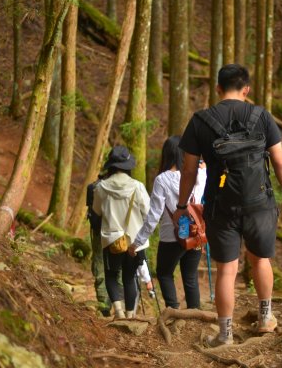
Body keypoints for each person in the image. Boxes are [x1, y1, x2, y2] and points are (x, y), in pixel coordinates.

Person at [174, 64, 282, 346]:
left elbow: (189, 170)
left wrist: (183, 205)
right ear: (247, 89)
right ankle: (266, 318)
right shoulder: (261, 116)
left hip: (221, 205)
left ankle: (225, 334)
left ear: (217, 88)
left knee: (227, 269)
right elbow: (279, 162)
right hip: (259, 202)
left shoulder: (200, 121)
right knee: (260, 260)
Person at [128, 136, 204, 309]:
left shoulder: (163, 180)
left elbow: (154, 215)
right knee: (190, 276)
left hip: (173, 236)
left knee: (164, 273)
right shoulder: (198, 175)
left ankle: (173, 311)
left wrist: (137, 243)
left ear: (167, 154)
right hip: (196, 233)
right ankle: (194, 315)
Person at [92, 146, 150, 319]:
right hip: (134, 242)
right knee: (129, 277)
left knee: (111, 275)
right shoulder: (137, 187)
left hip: (112, 240)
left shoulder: (101, 188)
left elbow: (97, 211)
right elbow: (148, 212)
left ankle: (118, 312)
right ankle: (130, 315)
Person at [86, 178, 113, 317]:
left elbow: (91, 212)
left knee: (99, 266)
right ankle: (115, 303)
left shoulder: (93, 187)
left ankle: (104, 306)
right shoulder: (121, 186)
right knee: (115, 268)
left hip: (98, 234)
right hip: (117, 235)